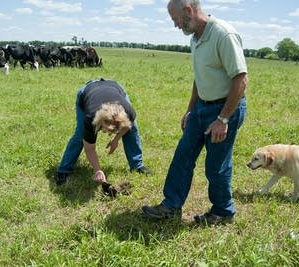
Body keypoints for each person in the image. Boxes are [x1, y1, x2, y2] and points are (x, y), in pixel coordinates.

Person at [142, 0, 248, 225]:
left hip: (224, 109)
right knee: (183, 156)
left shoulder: (223, 34)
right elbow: (199, 78)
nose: (175, 25)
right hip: (201, 107)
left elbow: (241, 79)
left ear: (189, 11)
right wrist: (190, 110)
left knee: (216, 166)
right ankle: (171, 206)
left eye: (176, 19)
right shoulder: (195, 39)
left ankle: (223, 211)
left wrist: (223, 119)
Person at [56, 78, 151, 185]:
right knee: (80, 135)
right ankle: (64, 169)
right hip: (88, 90)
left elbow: (127, 126)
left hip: (114, 87)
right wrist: (98, 170)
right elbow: (89, 148)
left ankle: (137, 165)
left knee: (132, 130)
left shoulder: (129, 112)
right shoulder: (90, 117)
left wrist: (116, 139)